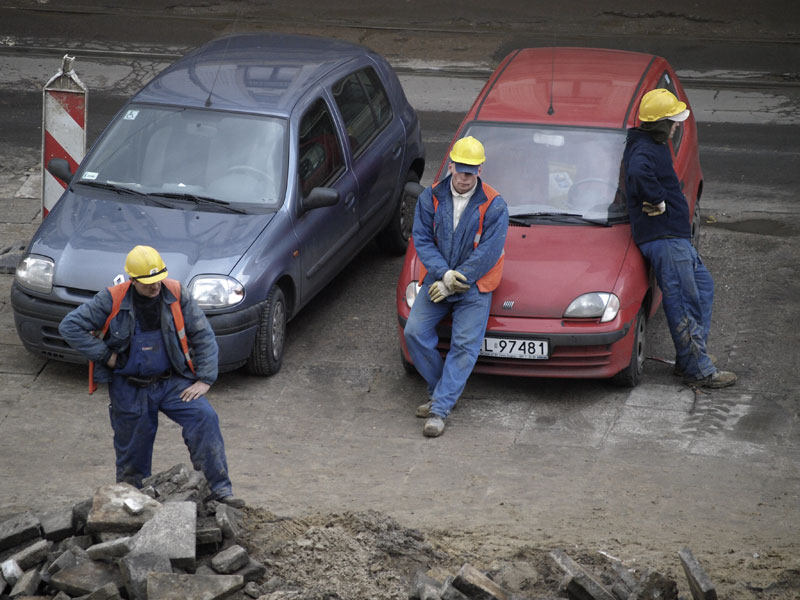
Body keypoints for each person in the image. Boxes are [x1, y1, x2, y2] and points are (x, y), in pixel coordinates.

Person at [59, 245, 245, 507]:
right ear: (132, 280)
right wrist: (107, 357)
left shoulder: (176, 293)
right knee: (132, 457)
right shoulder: (112, 299)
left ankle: (219, 493)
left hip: (172, 382)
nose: (155, 287)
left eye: (158, 280)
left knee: (205, 418)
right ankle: (133, 509)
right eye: (147, 283)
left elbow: (203, 335)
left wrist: (205, 379)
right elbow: (70, 326)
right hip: (130, 387)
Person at [622, 88, 736, 388]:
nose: (677, 126)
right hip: (666, 239)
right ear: (660, 124)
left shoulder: (649, 143)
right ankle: (699, 370)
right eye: (672, 121)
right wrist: (657, 200)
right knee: (684, 303)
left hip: (674, 237)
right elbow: (637, 173)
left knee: (703, 288)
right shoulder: (644, 151)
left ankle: (689, 360)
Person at [404, 136, 509, 437]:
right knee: (414, 332)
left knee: (464, 346)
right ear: (450, 166)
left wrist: (455, 280)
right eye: (460, 171)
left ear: (479, 170)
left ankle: (439, 409)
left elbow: (488, 252)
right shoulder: (431, 198)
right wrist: (443, 275)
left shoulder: (494, 204)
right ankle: (443, 392)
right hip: (439, 279)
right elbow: (422, 240)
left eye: (471, 172)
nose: (465, 178)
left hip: (475, 286)